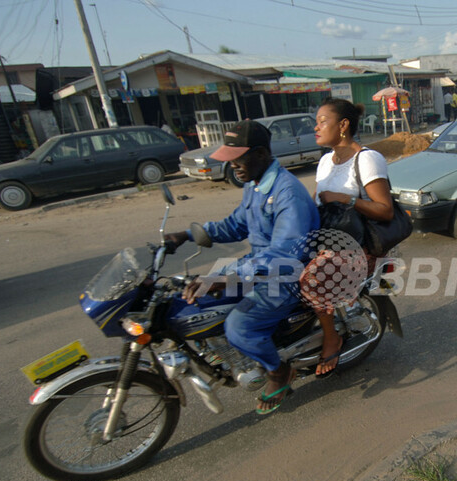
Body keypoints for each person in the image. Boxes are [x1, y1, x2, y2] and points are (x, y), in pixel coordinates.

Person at [164, 120, 319, 414]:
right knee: (198, 297)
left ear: (260, 154)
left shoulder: (287, 193)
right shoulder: (255, 184)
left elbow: (284, 253)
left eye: (238, 158)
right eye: (230, 158)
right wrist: (187, 234)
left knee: (239, 326)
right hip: (259, 266)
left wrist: (228, 278)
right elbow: (236, 224)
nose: (232, 165)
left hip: (288, 275)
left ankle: (279, 372)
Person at [307, 97, 394, 377]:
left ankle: (332, 338)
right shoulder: (325, 161)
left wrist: (345, 198)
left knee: (312, 280)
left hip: (358, 247)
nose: (316, 128)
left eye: (323, 121)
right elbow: (316, 201)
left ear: (343, 125)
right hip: (325, 239)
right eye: (316, 122)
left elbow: (385, 210)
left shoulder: (367, 159)